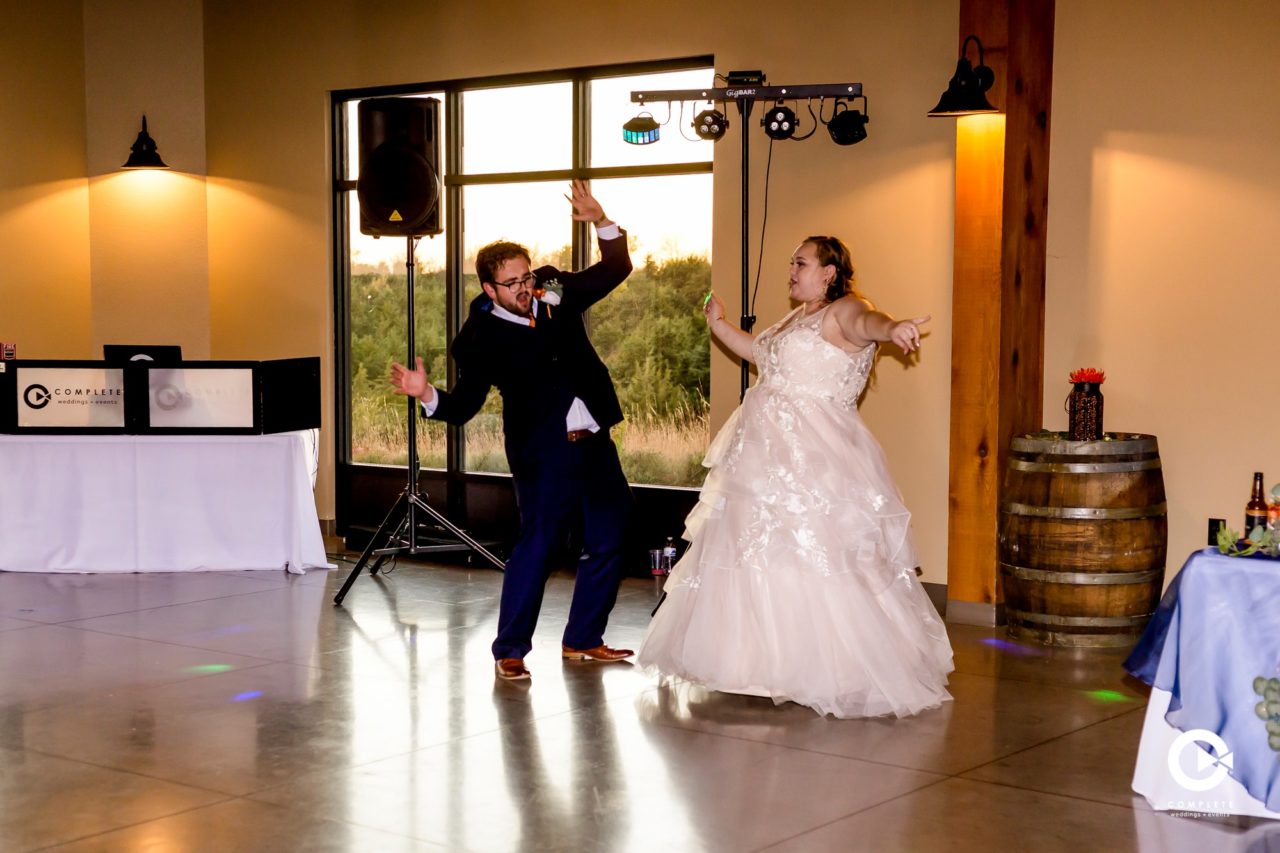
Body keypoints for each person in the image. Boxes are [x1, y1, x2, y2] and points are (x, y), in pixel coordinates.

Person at [636, 235, 955, 718]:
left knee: (817, 551)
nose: (792, 269)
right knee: (751, 549)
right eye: (791, 261)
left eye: (801, 262)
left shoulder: (846, 308)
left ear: (829, 272)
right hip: (761, 459)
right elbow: (761, 356)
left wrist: (894, 329)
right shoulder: (795, 318)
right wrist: (718, 323)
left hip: (815, 457)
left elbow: (869, 324)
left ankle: (826, 667)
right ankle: (751, 665)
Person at [390, 180, 636, 682]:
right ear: (489, 289)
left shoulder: (552, 289)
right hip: (543, 453)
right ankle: (510, 649)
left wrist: (601, 220)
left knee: (610, 538)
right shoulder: (478, 340)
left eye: (527, 277)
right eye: (513, 282)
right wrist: (426, 393)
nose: (526, 288)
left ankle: (583, 638)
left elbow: (615, 269)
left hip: (595, 443)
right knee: (538, 547)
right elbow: (464, 406)